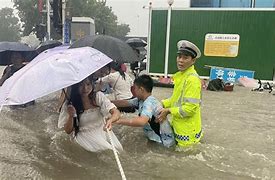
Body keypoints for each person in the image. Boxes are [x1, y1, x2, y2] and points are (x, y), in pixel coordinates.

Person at [58, 75, 123, 152]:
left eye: (88, 84)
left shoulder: (98, 97)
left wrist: (110, 120)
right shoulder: (69, 105)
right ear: (75, 87)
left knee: (118, 150)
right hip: (85, 137)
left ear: (92, 84)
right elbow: (68, 131)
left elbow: (116, 112)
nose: (85, 88)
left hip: (103, 132)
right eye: (81, 85)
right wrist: (71, 116)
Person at [157, 40, 203, 148]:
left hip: (188, 135)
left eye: (185, 57)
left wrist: (168, 111)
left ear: (193, 60)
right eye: (179, 57)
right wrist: (162, 103)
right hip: (180, 128)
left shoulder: (192, 79)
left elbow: (189, 109)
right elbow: (176, 99)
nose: (180, 61)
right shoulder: (181, 76)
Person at [112, 75, 175, 147]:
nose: (133, 91)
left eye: (135, 88)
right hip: (155, 138)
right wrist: (106, 102)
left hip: (164, 143)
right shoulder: (140, 100)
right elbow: (125, 103)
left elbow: (141, 121)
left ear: (141, 89)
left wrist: (118, 121)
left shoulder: (149, 103)